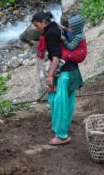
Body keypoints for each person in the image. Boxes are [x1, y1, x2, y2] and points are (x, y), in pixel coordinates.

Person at [32, 11, 84, 145]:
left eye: (37, 26)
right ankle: (62, 129)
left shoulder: (50, 34)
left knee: (59, 103)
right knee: (67, 102)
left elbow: (56, 55)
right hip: (72, 70)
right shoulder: (58, 28)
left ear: (44, 22)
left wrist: (49, 75)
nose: (37, 29)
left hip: (64, 73)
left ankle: (61, 136)